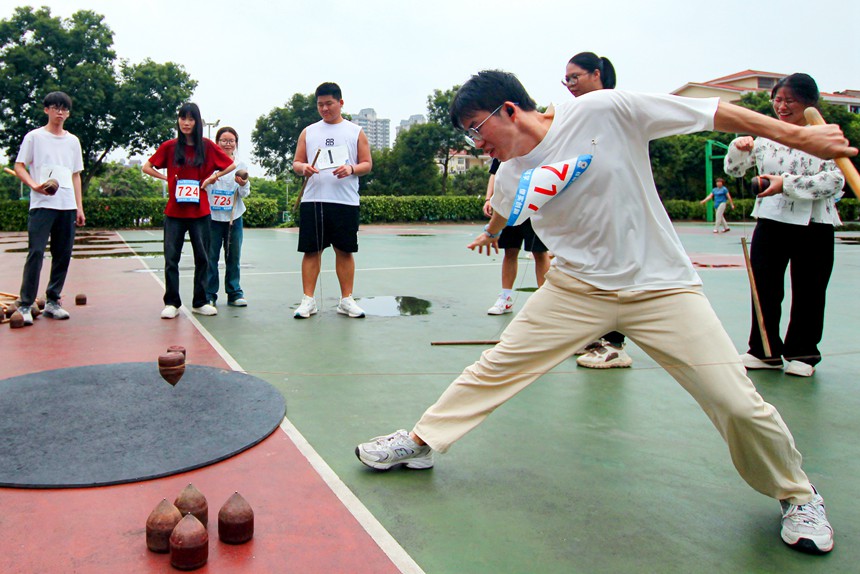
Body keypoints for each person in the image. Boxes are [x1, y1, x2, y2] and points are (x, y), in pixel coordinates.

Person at [356, 70, 856, 554]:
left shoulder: (603, 110)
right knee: (498, 364)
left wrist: (796, 136)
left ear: (509, 109)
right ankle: (421, 441)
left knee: (737, 402)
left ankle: (800, 496)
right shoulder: (509, 174)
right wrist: (491, 232)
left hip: (660, 286)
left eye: (476, 129)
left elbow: (710, 112)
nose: (475, 143)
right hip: (576, 288)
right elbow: (507, 210)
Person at [724, 73, 844, 377]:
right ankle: (764, 352)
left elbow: (835, 180)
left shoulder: (826, 135)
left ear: (809, 102)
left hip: (814, 224)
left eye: (789, 100)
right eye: (777, 99)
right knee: (763, 288)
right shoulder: (766, 136)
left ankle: (803, 354)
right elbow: (735, 171)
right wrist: (738, 149)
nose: (782, 106)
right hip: (770, 221)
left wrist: (785, 184)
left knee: (810, 289)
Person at [559, 52, 631, 369]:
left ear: (596, 74)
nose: (570, 84)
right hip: (589, 205)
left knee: (615, 270)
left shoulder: (617, 107)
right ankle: (594, 336)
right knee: (589, 269)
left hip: (617, 203)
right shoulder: (577, 114)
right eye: (567, 79)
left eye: (575, 77)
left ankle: (615, 345)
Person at [142, 103, 235, 319]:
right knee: (171, 258)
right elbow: (146, 166)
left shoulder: (207, 146)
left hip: (200, 212)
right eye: (182, 118)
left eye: (191, 119)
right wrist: (165, 178)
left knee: (202, 258)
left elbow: (229, 164)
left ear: (197, 122)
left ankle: (200, 301)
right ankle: (172, 302)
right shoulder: (170, 146)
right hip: (174, 212)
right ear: (178, 121)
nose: (186, 123)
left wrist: (213, 177)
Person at [291, 82, 372, 319]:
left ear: (341, 103)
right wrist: (303, 167)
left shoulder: (355, 131)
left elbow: (367, 164)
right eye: (320, 105)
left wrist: (351, 169)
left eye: (329, 104)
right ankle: (308, 301)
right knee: (311, 251)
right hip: (313, 200)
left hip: (345, 201)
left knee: (344, 251)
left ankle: (346, 300)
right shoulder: (309, 131)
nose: (324, 108)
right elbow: (297, 162)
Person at [13, 91, 85, 326]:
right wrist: (35, 185)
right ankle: (25, 304)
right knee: (36, 253)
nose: (60, 112)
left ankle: (53, 301)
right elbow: (20, 166)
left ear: (68, 113)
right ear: (46, 110)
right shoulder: (34, 137)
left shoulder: (73, 141)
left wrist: (79, 207)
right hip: (42, 205)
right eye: (55, 108)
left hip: (66, 206)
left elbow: (75, 175)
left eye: (64, 109)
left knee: (63, 254)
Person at [483, 158, 551, 315]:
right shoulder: (502, 150)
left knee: (539, 253)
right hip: (510, 207)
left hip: (534, 206)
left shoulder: (534, 148)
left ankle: (546, 302)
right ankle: (505, 299)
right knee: (510, 251)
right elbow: (494, 173)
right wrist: (489, 199)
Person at [206, 126, 250, 307]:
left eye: (231, 141)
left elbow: (245, 193)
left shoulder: (240, 166)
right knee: (210, 257)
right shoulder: (208, 164)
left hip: (234, 217)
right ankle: (209, 294)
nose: (227, 144)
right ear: (217, 143)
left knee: (233, 256)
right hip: (212, 218)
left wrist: (243, 183)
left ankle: (234, 293)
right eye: (223, 140)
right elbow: (203, 186)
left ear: (236, 144)